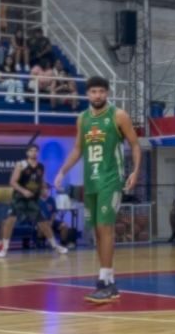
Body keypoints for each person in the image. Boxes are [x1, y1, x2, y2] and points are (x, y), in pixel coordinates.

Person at [53, 76, 141, 304]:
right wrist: (62, 171)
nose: (97, 95)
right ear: (87, 94)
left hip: (110, 180)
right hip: (90, 181)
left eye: (101, 91)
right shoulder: (82, 119)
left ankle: (105, 280)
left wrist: (135, 171)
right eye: (93, 91)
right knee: (97, 232)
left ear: (107, 93)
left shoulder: (118, 115)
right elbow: (77, 149)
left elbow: (135, 143)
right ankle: (108, 281)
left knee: (105, 227)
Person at [2, 145, 68, 256]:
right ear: (27, 153)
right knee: (10, 221)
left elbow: (41, 181)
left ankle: (55, 246)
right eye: (31, 151)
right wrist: (24, 191)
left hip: (33, 199)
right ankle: (4, 248)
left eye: (36, 151)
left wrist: (50, 187)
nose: (34, 153)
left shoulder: (41, 167)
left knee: (43, 223)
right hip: (19, 198)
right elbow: (12, 182)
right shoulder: (21, 164)